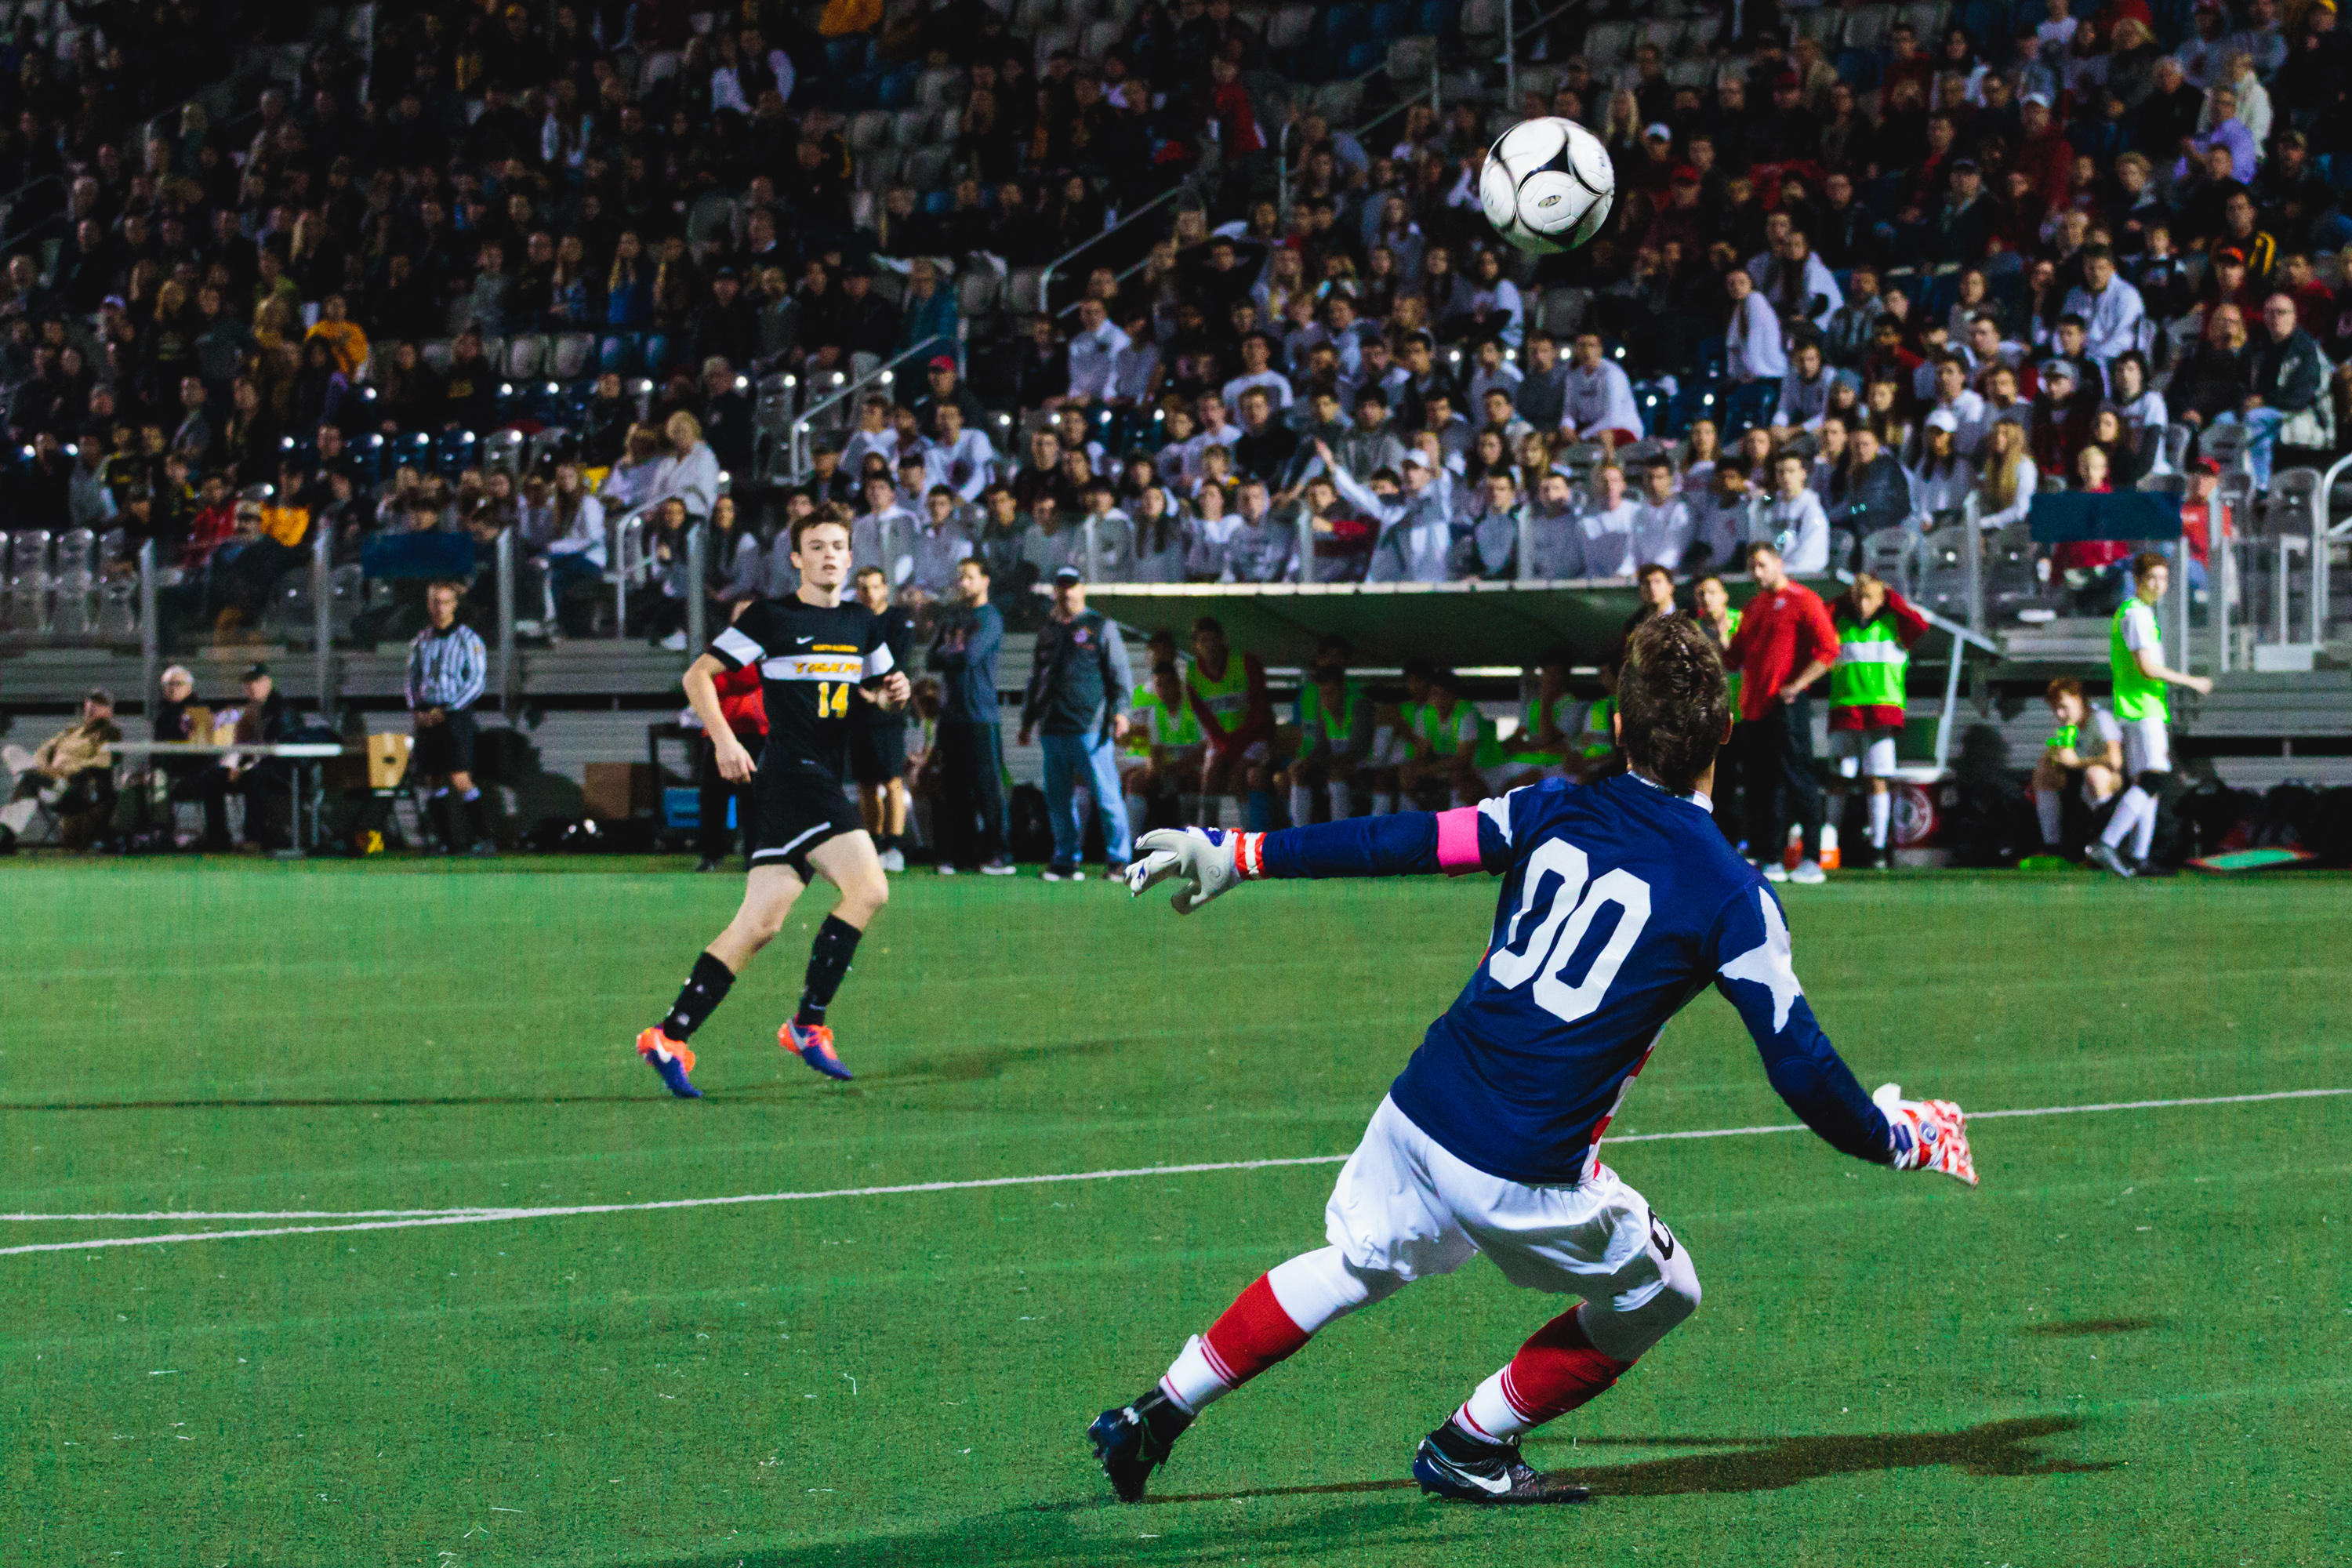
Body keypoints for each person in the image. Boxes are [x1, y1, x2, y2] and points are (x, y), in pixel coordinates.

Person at [1091, 615, 1976, 1506]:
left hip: (1422, 1103)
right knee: (1665, 1291)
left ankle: (1153, 1413)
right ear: (1728, 731)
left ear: (1619, 727)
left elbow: (1403, 839)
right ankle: (1473, 1440)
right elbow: (1801, 1068)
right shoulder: (1735, 896)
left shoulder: (1549, 805)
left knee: (1351, 1261)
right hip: (1524, 1166)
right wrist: (1896, 1135)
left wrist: (1241, 850)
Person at [633, 511, 913, 1098]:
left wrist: (896, 694)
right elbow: (698, 677)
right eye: (817, 547)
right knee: (870, 889)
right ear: (797, 559)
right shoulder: (771, 617)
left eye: (839, 546)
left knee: (757, 925)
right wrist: (726, 740)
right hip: (793, 776)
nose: (830, 556)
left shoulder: (863, 622)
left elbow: (883, 698)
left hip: (802, 783)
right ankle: (808, 1026)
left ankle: (669, 1035)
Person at [2088, 553, 2211, 877]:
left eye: (2164, 578)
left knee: (2149, 784)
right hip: (2142, 709)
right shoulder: (2137, 615)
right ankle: (2107, 842)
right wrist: (2191, 681)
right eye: (2152, 577)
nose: (2159, 585)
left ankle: (2139, 856)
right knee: (2154, 778)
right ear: (2138, 578)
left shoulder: (2137, 614)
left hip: (2140, 708)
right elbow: (2147, 668)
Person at [1726, 543, 1841, 884]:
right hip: (1754, 708)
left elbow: (1828, 649)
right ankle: (1769, 856)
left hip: (1786, 705)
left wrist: (1798, 683)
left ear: (1778, 562)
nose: (1757, 574)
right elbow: (1734, 657)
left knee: (1799, 779)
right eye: (1752, 568)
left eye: (1762, 565)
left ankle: (1811, 859)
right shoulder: (1753, 606)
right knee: (1762, 786)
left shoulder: (1803, 600)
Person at [1019, 566, 1136, 880]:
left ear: (1083, 589)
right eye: (1061, 586)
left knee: (1106, 796)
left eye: (1072, 586)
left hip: (1089, 727)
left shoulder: (1101, 626)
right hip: (1052, 726)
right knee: (1058, 800)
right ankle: (1065, 860)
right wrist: (1027, 720)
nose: (1066, 592)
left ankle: (1119, 859)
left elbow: (1120, 675)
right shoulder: (1048, 630)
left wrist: (1122, 712)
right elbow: (1036, 678)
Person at [1825, 573, 1929, 869]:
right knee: (1839, 776)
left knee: (1877, 777)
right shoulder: (1840, 624)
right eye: (1857, 597)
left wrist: (1891, 597)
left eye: (1869, 596)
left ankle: (1878, 848)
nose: (1862, 603)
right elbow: (1820, 617)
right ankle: (1829, 843)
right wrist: (1845, 599)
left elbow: (1919, 624)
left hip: (1882, 711)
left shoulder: (1894, 624)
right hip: (1845, 709)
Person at [929, 554, 1016, 875]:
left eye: (969, 577)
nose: (963, 583)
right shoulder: (952, 619)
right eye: (960, 578)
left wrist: (949, 651)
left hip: (981, 715)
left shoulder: (990, 617)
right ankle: (960, 854)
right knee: (954, 788)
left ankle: (1000, 853)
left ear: (985, 580)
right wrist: (952, 652)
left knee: (987, 788)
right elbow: (930, 658)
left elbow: (971, 655)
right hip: (951, 716)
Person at [405, 581, 494, 856]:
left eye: (445, 602)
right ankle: (446, 841)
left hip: (454, 713)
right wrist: (417, 709)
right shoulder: (421, 640)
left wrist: (448, 709)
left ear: (455, 606)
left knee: (460, 778)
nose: (439, 609)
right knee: (433, 779)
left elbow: (477, 681)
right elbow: (412, 679)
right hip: (427, 713)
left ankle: (483, 838)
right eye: (435, 602)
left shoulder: (469, 640)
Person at [849, 564, 919, 873]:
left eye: (874, 586)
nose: (869, 593)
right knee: (865, 783)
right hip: (858, 713)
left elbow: (897, 664)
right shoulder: (851, 621)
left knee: (891, 780)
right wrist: (861, 694)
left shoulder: (897, 621)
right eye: (863, 587)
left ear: (886, 588)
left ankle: (895, 846)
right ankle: (874, 845)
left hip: (888, 712)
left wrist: (878, 694)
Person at [693, 604, 768, 873]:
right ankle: (711, 854)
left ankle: (754, 853)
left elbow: (739, 682)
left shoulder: (772, 646)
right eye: (741, 614)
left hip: (758, 733)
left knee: (755, 799)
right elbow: (719, 684)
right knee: (713, 797)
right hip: (722, 733)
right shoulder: (721, 649)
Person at [0, 688, 120, 853]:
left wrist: (69, 768)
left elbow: (104, 760)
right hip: (49, 781)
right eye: (91, 702)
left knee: (28, 783)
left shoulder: (109, 733)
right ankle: (6, 834)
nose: (93, 707)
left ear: (109, 711)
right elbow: (42, 751)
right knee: (11, 751)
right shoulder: (70, 732)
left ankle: (6, 836)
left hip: (72, 788)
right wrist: (47, 768)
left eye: (100, 704)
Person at [1185, 616, 1276, 829]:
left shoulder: (1246, 663)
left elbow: (1260, 710)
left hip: (1255, 737)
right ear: (1195, 645)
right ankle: (1209, 834)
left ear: (1222, 640)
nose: (1209, 646)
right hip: (1224, 740)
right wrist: (1224, 743)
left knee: (1239, 775)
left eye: (1213, 639)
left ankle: (1250, 834)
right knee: (1210, 777)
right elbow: (1206, 718)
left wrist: (1236, 743)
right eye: (1203, 641)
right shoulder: (1192, 674)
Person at [1286, 635, 1374, 824]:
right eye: (1323, 695)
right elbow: (1321, 747)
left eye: (1331, 694)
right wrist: (1308, 762)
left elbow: (1359, 750)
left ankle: (1338, 832)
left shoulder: (1359, 704)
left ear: (1343, 689)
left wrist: (1323, 762)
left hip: (1363, 767)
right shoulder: (1322, 706)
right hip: (1334, 763)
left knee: (1336, 774)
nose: (1326, 700)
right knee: (1299, 773)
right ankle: (1298, 835)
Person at [2031, 677, 2123, 856]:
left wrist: (2077, 763)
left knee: (2095, 774)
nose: (2059, 714)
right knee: (2044, 771)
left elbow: (2116, 760)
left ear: (2079, 699)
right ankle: (2052, 847)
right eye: (2055, 709)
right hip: (2080, 783)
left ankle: (2105, 844)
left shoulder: (2100, 719)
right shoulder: (2068, 726)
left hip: (2109, 782)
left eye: (2064, 707)